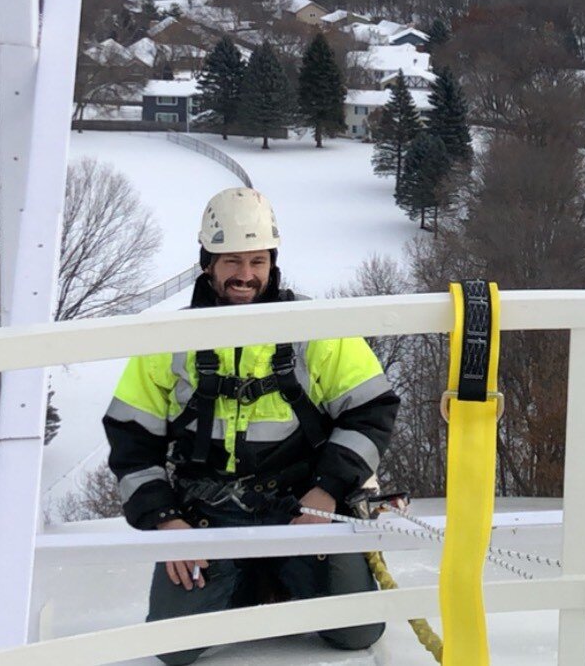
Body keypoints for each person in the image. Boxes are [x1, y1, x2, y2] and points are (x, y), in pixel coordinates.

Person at [104, 187, 399, 663]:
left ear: (272, 263)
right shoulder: (168, 342)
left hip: (303, 504)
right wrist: (166, 519)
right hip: (207, 514)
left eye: (257, 262)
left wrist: (327, 492)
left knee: (357, 631)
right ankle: (249, 579)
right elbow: (130, 440)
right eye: (232, 262)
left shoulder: (315, 328)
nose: (246, 276)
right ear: (208, 264)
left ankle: (278, 575)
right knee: (172, 650)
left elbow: (372, 409)